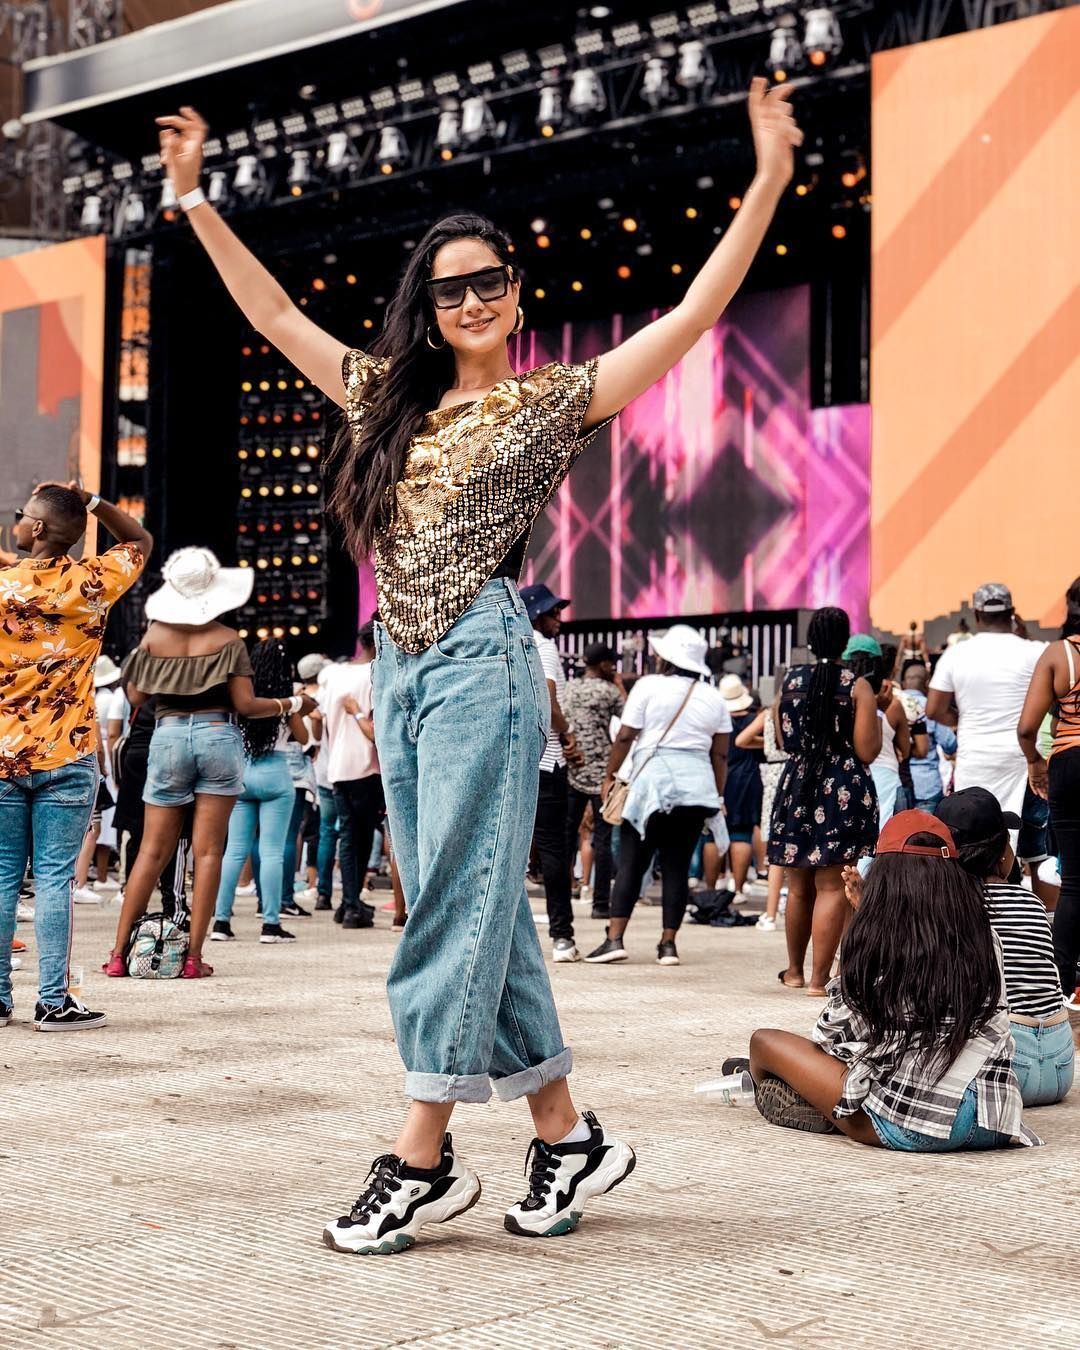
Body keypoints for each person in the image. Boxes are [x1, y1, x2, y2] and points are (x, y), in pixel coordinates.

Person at [156, 75, 801, 1250]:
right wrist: (195, 200)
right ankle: (566, 1137)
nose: (467, 301)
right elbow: (273, 319)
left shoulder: (553, 402)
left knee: (444, 902)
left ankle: (420, 1152)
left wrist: (763, 182)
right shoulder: (385, 398)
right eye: (447, 287)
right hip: (397, 668)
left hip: (483, 663)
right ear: (427, 301)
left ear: (515, 294)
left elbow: (696, 315)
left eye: (486, 283)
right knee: (482, 910)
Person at [733, 811, 1039, 1150]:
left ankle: (806, 1097)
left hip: (912, 1124)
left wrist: (863, 919)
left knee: (763, 1043)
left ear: (885, 875)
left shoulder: (878, 937)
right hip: (991, 1118)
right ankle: (810, 1093)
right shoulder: (983, 933)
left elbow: (831, 1032)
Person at [104, 548, 310, 978]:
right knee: (210, 851)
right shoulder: (228, 640)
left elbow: (137, 698)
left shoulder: (153, 637)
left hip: (169, 735)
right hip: (219, 736)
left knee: (151, 850)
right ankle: (194, 958)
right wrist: (292, 702)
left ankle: (119, 955)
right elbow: (245, 705)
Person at [0, 481, 150, 1029]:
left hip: (3, 755)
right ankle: (52, 1000)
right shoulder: (90, 584)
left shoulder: (1, 588)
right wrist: (92, 503)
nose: (16, 521)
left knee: (2, 878)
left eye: (22, 515)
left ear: (36, 529)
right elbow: (140, 539)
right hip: (67, 753)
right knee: (58, 881)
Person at [587, 626, 730, 967]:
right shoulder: (713, 697)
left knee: (632, 863)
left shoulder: (649, 687)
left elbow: (624, 737)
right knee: (677, 867)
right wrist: (717, 792)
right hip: (696, 788)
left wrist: (609, 776)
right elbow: (720, 755)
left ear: (665, 658)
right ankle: (668, 945)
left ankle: (614, 939)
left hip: (651, 787)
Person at [936, 788, 1073, 1107]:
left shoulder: (949, 909)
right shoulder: (1032, 903)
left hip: (1007, 1066)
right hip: (1060, 1065)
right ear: (1002, 854)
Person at [769, 607, 880, 996]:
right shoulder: (857, 685)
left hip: (799, 784)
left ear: (811, 640)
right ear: (845, 640)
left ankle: (795, 972)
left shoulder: (791, 681)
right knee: (832, 886)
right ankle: (820, 981)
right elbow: (868, 750)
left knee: (798, 886)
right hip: (841, 787)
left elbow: (782, 741)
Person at [213, 639, 313, 945]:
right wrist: (294, 706)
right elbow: (304, 738)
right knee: (272, 851)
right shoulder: (285, 701)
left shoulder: (243, 699)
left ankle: (221, 921)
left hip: (243, 775)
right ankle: (270, 924)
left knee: (234, 850)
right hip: (276, 775)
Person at [927, 583, 1044, 821]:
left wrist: (960, 719)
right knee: (1031, 849)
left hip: (976, 757)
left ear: (977, 614)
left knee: (974, 837)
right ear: (1012, 613)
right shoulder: (1035, 651)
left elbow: (934, 709)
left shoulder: (956, 654)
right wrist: (1025, 636)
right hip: (1025, 759)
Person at [1018, 577, 1080, 1004]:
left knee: (1074, 882)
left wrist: (1035, 764)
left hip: (1071, 764)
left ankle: (1058, 989)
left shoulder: (1060, 655)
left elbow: (1026, 727)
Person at [521, 583, 583, 961]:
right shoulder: (542, 647)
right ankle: (562, 937)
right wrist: (567, 732)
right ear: (535, 616)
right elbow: (546, 698)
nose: (559, 618)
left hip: (517, 761)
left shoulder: (511, 646)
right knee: (554, 850)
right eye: (553, 613)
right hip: (547, 761)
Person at [318, 624, 383, 930]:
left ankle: (348, 902)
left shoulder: (333, 674)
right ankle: (353, 903)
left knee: (348, 835)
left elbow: (319, 719)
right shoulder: (376, 674)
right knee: (362, 835)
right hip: (366, 766)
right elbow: (376, 728)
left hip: (338, 765)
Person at [562, 642, 624, 922]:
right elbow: (629, 718)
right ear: (602, 665)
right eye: (611, 663)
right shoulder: (609, 691)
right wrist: (619, 684)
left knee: (565, 839)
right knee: (603, 840)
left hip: (573, 768)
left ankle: (562, 897)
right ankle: (601, 904)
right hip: (603, 773)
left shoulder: (570, 688)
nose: (614, 668)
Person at [734, 694, 788, 931]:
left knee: (775, 848)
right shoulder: (800, 713)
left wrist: (766, 743)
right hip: (796, 772)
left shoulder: (767, 715)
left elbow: (741, 740)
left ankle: (770, 913)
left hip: (773, 776)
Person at [844, 636, 909, 830]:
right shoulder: (892, 705)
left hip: (848, 780)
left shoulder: (841, 700)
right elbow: (905, 751)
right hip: (887, 779)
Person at [718, 675, 764, 897]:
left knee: (712, 834)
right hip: (747, 779)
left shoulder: (718, 720)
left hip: (720, 777)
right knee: (741, 833)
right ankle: (737, 888)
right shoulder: (754, 721)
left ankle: (713, 884)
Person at [897, 660, 956, 813]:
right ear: (927, 683)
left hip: (898, 784)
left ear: (903, 683)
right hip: (927, 785)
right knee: (924, 835)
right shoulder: (930, 708)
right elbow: (950, 743)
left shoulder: (891, 704)